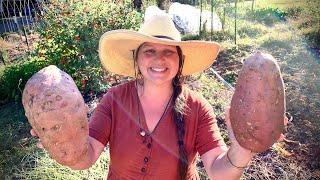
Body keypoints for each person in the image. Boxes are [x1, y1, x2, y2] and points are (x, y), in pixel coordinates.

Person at [31, 14, 256, 179]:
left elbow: (218, 172)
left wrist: (242, 149)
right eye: (150, 51)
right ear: (137, 59)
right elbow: (87, 156)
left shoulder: (197, 108)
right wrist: (62, 141)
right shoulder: (115, 99)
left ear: (180, 61)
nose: (159, 60)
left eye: (168, 51)